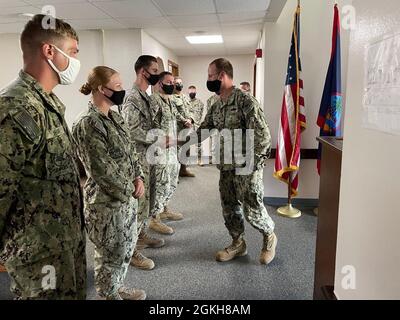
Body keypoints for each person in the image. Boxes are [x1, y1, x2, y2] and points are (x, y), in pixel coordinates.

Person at [0, 14, 86, 299]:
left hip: (62, 245)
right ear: (50, 51)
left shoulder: (46, 103)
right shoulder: (15, 107)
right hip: (38, 258)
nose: (75, 61)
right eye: (72, 52)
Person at [73, 66, 146, 300]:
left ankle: (117, 286)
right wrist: (131, 190)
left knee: (124, 249)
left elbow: (130, 150)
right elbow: (101, 170)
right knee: (109, 253)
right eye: (117, 87)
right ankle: (108, 294)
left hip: (126, 198)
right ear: (101, 89)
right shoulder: (87, 123)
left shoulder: (115, 116)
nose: (122, 90)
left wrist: (139, 177)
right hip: (105, 204)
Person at [198, 58, 277, 265]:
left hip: (246, 167)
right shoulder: (216, 104)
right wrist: (179, 141)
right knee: (229, 207)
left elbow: (263, 137)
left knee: (253, 209)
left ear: (222, 75)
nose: (208, 79)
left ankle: (269, 236)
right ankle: (238, 243)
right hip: (226, 166)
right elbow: (205, 129)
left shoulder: (245, 101)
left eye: (210, 75)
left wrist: (254, 166)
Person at [120, 55, 172, 271]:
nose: (156, 73)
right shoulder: (132, 97)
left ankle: (140, 235)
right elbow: (131, 131)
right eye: (153, 69)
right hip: (138, 160)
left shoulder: (145, 96)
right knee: (137, 206)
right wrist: (158, 138)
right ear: (143, 71)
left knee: (146, 204)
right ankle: (131, 252)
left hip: (149, 157)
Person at [149, 72, 187, 235]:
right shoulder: (153, 101)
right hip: (160, 150)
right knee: (160, 183)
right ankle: (154, 218)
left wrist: (185, 120)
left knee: (172, 180)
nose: (172, 84)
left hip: (172, 147)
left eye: (173, 82)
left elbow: (175, 115)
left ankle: (164, 209)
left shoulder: (169, 100)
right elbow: (148, 126)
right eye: (169, 82)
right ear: (159, 83)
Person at [172, 77, 195, 177]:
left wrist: (190, 119)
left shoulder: (185, 97)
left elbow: (191, 110)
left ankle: (183, 170)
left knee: (186, 149)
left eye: (181, 82)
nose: (179, 84)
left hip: (187, 128)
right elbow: (174, 112)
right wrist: (183, 120)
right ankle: (175, 173)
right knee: (177, 150)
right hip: (178, 128)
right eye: (177, 83)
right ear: (173, 85)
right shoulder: (171, 98)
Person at [188, 85, 206, 166]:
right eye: (191, 91)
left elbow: (200, 113)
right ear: (188, 92)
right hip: (188, 126)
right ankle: (186, 161)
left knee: (199, 144)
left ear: (196, 92)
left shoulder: (200, 103)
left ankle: (200, 159)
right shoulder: (185, 102)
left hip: (197, 125)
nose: (192, 93)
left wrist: (197, 122)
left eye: (193, 91)